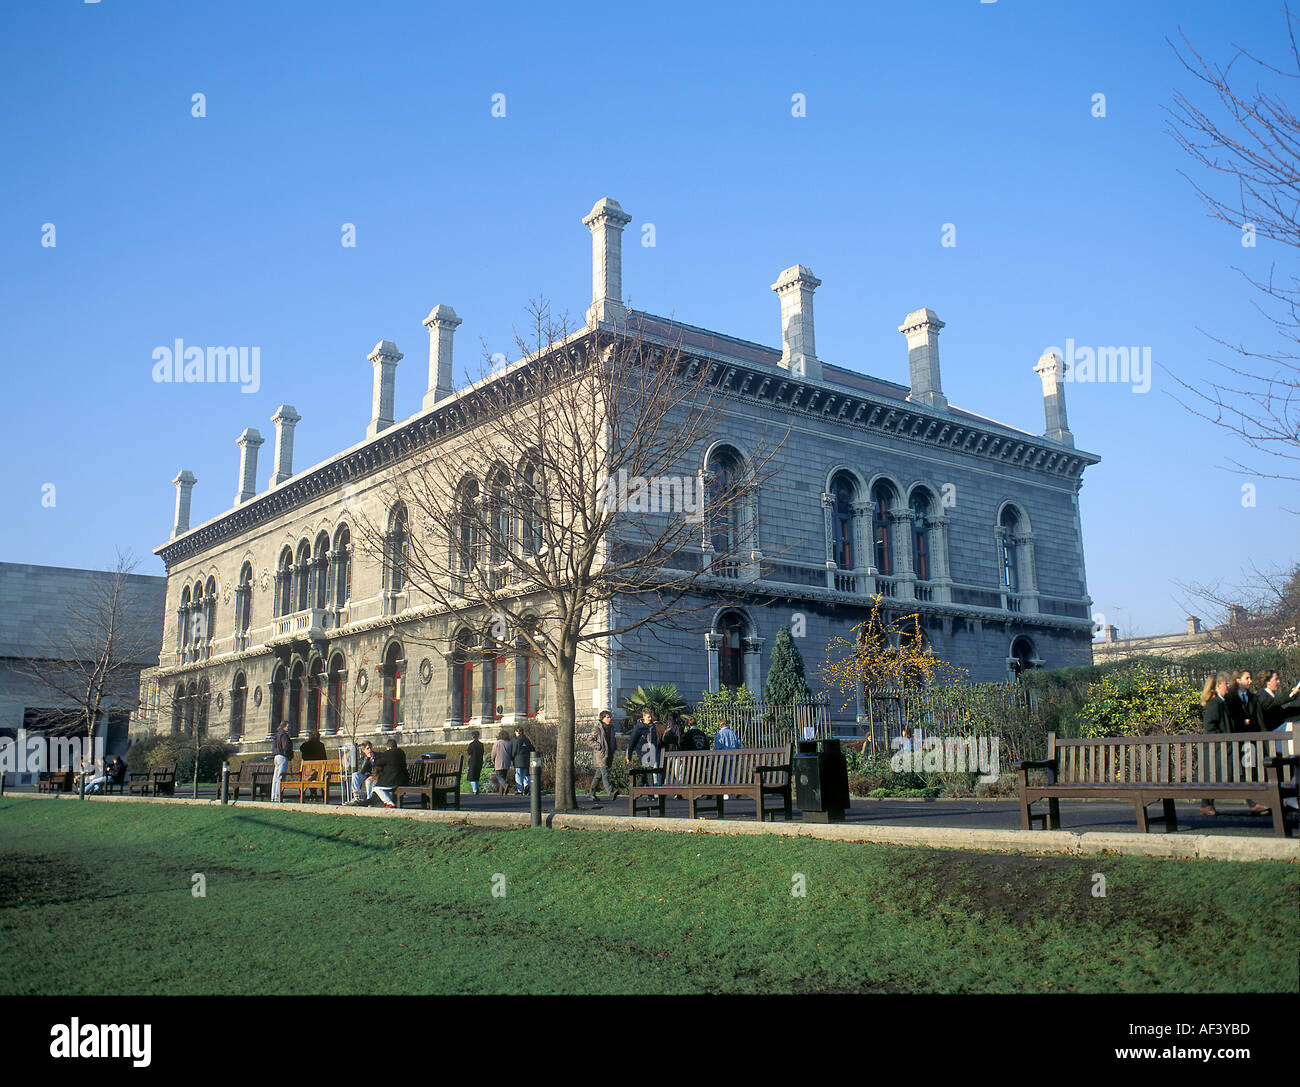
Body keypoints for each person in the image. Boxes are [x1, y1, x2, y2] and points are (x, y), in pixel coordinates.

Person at [1200, 672, 1268, 816]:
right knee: (1219, 775)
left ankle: (1252, 802)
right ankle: (1206, 804)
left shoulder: (1224, 702)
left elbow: (1228, 723)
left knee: (1241, 772)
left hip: (1230, 747)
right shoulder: (1214, 703)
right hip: (1220, 749)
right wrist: (1224, 740)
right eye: (1226, 683)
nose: (1228, 685)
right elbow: (1210, 727)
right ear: (1218, 686)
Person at [587, 710, 620, 803]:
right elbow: (589, 740)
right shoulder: (597, 728)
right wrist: (599, 746)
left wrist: (614, 749)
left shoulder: (611, 728)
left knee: (598, 776)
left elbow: (613, 741)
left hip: (608, 755)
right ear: (602, 718)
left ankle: (591, 793)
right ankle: (611, 792)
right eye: (607, 717)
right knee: (605, 774)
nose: (609, 719)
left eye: (610, 717)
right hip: (600, 756)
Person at [369, 737, 408, 808]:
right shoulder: (401, 753)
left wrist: (372, 759)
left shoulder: (388, 753)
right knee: (383, 789)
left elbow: (378, 763)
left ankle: (389, 803)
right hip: (403, 780)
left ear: (388, 747)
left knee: (376, 788)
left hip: (393, 780)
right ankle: (389, 802)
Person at [628, 708, 662, 786]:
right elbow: (632, 741)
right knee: (649, 771)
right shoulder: (638, 727)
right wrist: (629, 755)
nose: (650, 719)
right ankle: (651, 794)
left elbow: (655, 740)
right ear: (644, 717)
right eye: (648, 717)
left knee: (646, 772)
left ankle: (637, 789)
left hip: (652, 751)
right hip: (643, 751)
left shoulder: (652, 726)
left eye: (651, 717)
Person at [272, 721, 294, 802]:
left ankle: (273, 796)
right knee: (281, 777)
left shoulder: (277, 734)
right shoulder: (284, 735)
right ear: (284, 726)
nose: (289, 727)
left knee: (275, 777)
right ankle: (278, 796)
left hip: (276, 756)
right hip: (282, 756)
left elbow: (274, 746)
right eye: (288, 726)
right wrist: (289, 755)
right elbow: (285, 747)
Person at [512, 727, 535, 795]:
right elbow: (532, 749)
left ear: (517, 732)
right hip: (527, 760)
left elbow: (514, 752)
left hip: (518, 760)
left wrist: (512, 758)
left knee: (518, 775)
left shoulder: (516, 741)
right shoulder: (527, 740)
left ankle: (520, 790)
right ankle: (526, 785)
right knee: (526, 774)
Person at [490, 729, 512, 794]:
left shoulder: (497, 743)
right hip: (507, 762)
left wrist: (492, 759)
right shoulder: (509, 743)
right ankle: (501, 791)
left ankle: (505, 785)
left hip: (499, 762)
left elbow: (493, 753)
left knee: (499, 776)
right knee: (503, 776)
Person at [466, 730, 485, 795]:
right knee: (477, 776)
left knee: (472, 776)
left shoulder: (471, 745)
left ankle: (475, 789)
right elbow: (482, 752)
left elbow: (469, 752)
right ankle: (476, 789)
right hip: (479, 761)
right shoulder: (481, 745)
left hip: (473, 762)